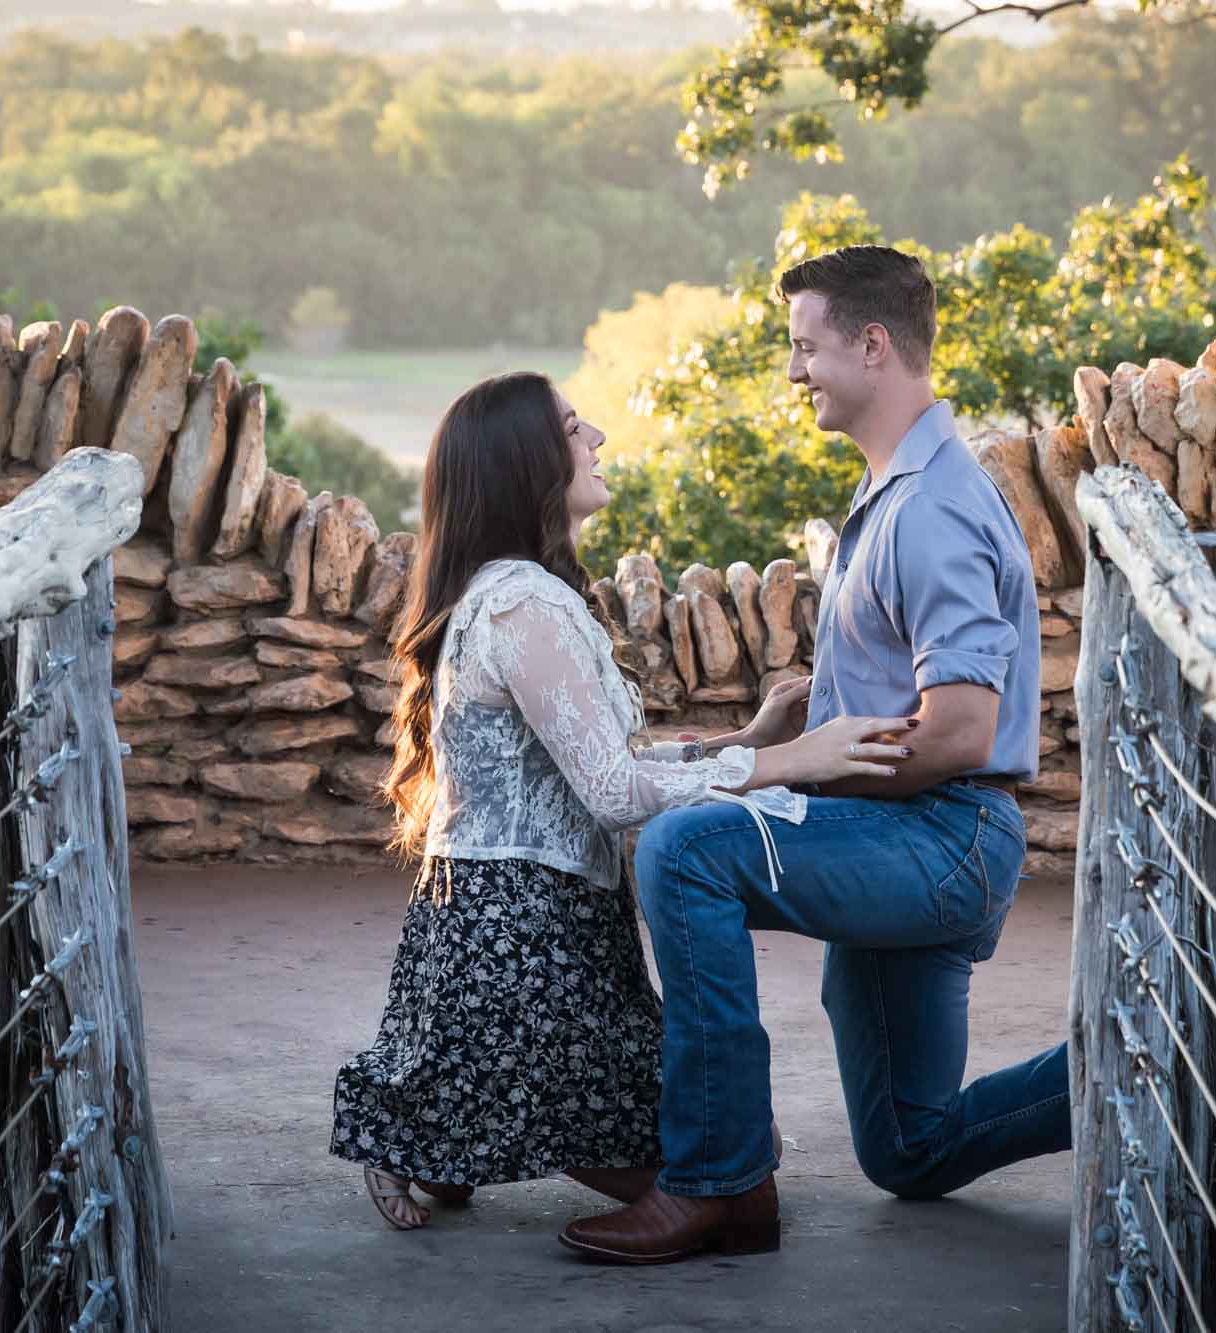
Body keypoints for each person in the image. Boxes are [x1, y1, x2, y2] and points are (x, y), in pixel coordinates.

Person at [559, 246, 1071, 1265]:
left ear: (872, 345)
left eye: (806, 347)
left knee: (683, 849)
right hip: (906, 830)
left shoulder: (930, 507)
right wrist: (813, 717)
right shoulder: (895, 486)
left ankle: (719, 1182)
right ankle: (1143, 1067)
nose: (794, 371)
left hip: (937, 838)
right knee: (909, 1151)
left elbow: (962, 730)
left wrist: (817, 763)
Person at [329, 370, 913, 1231]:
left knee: (742, 1152)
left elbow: (599, 760)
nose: (596, 435)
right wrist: (793, 759)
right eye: (572, 426)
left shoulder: (523, 592)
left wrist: (744, 739)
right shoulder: (523, 604)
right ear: (527, 463)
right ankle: (414, 1126)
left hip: (545, 921)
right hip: (518, 939)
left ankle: (445, 1130)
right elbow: (613, 792)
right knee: (719, 1179)